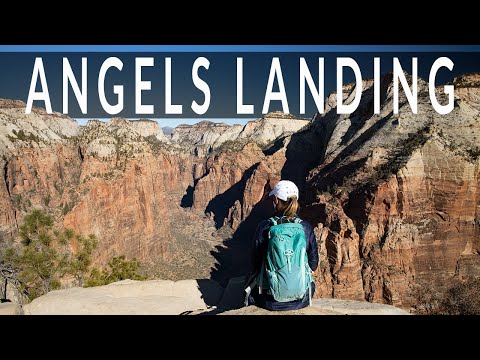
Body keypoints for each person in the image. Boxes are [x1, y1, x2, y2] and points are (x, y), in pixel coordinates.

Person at [244, 180, 319, 311]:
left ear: (276, 199)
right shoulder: (305, 227)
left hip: (269, 301)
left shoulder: (264, 226)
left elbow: (255, 262)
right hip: (302, 299)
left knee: (248, 282)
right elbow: (313, 264)